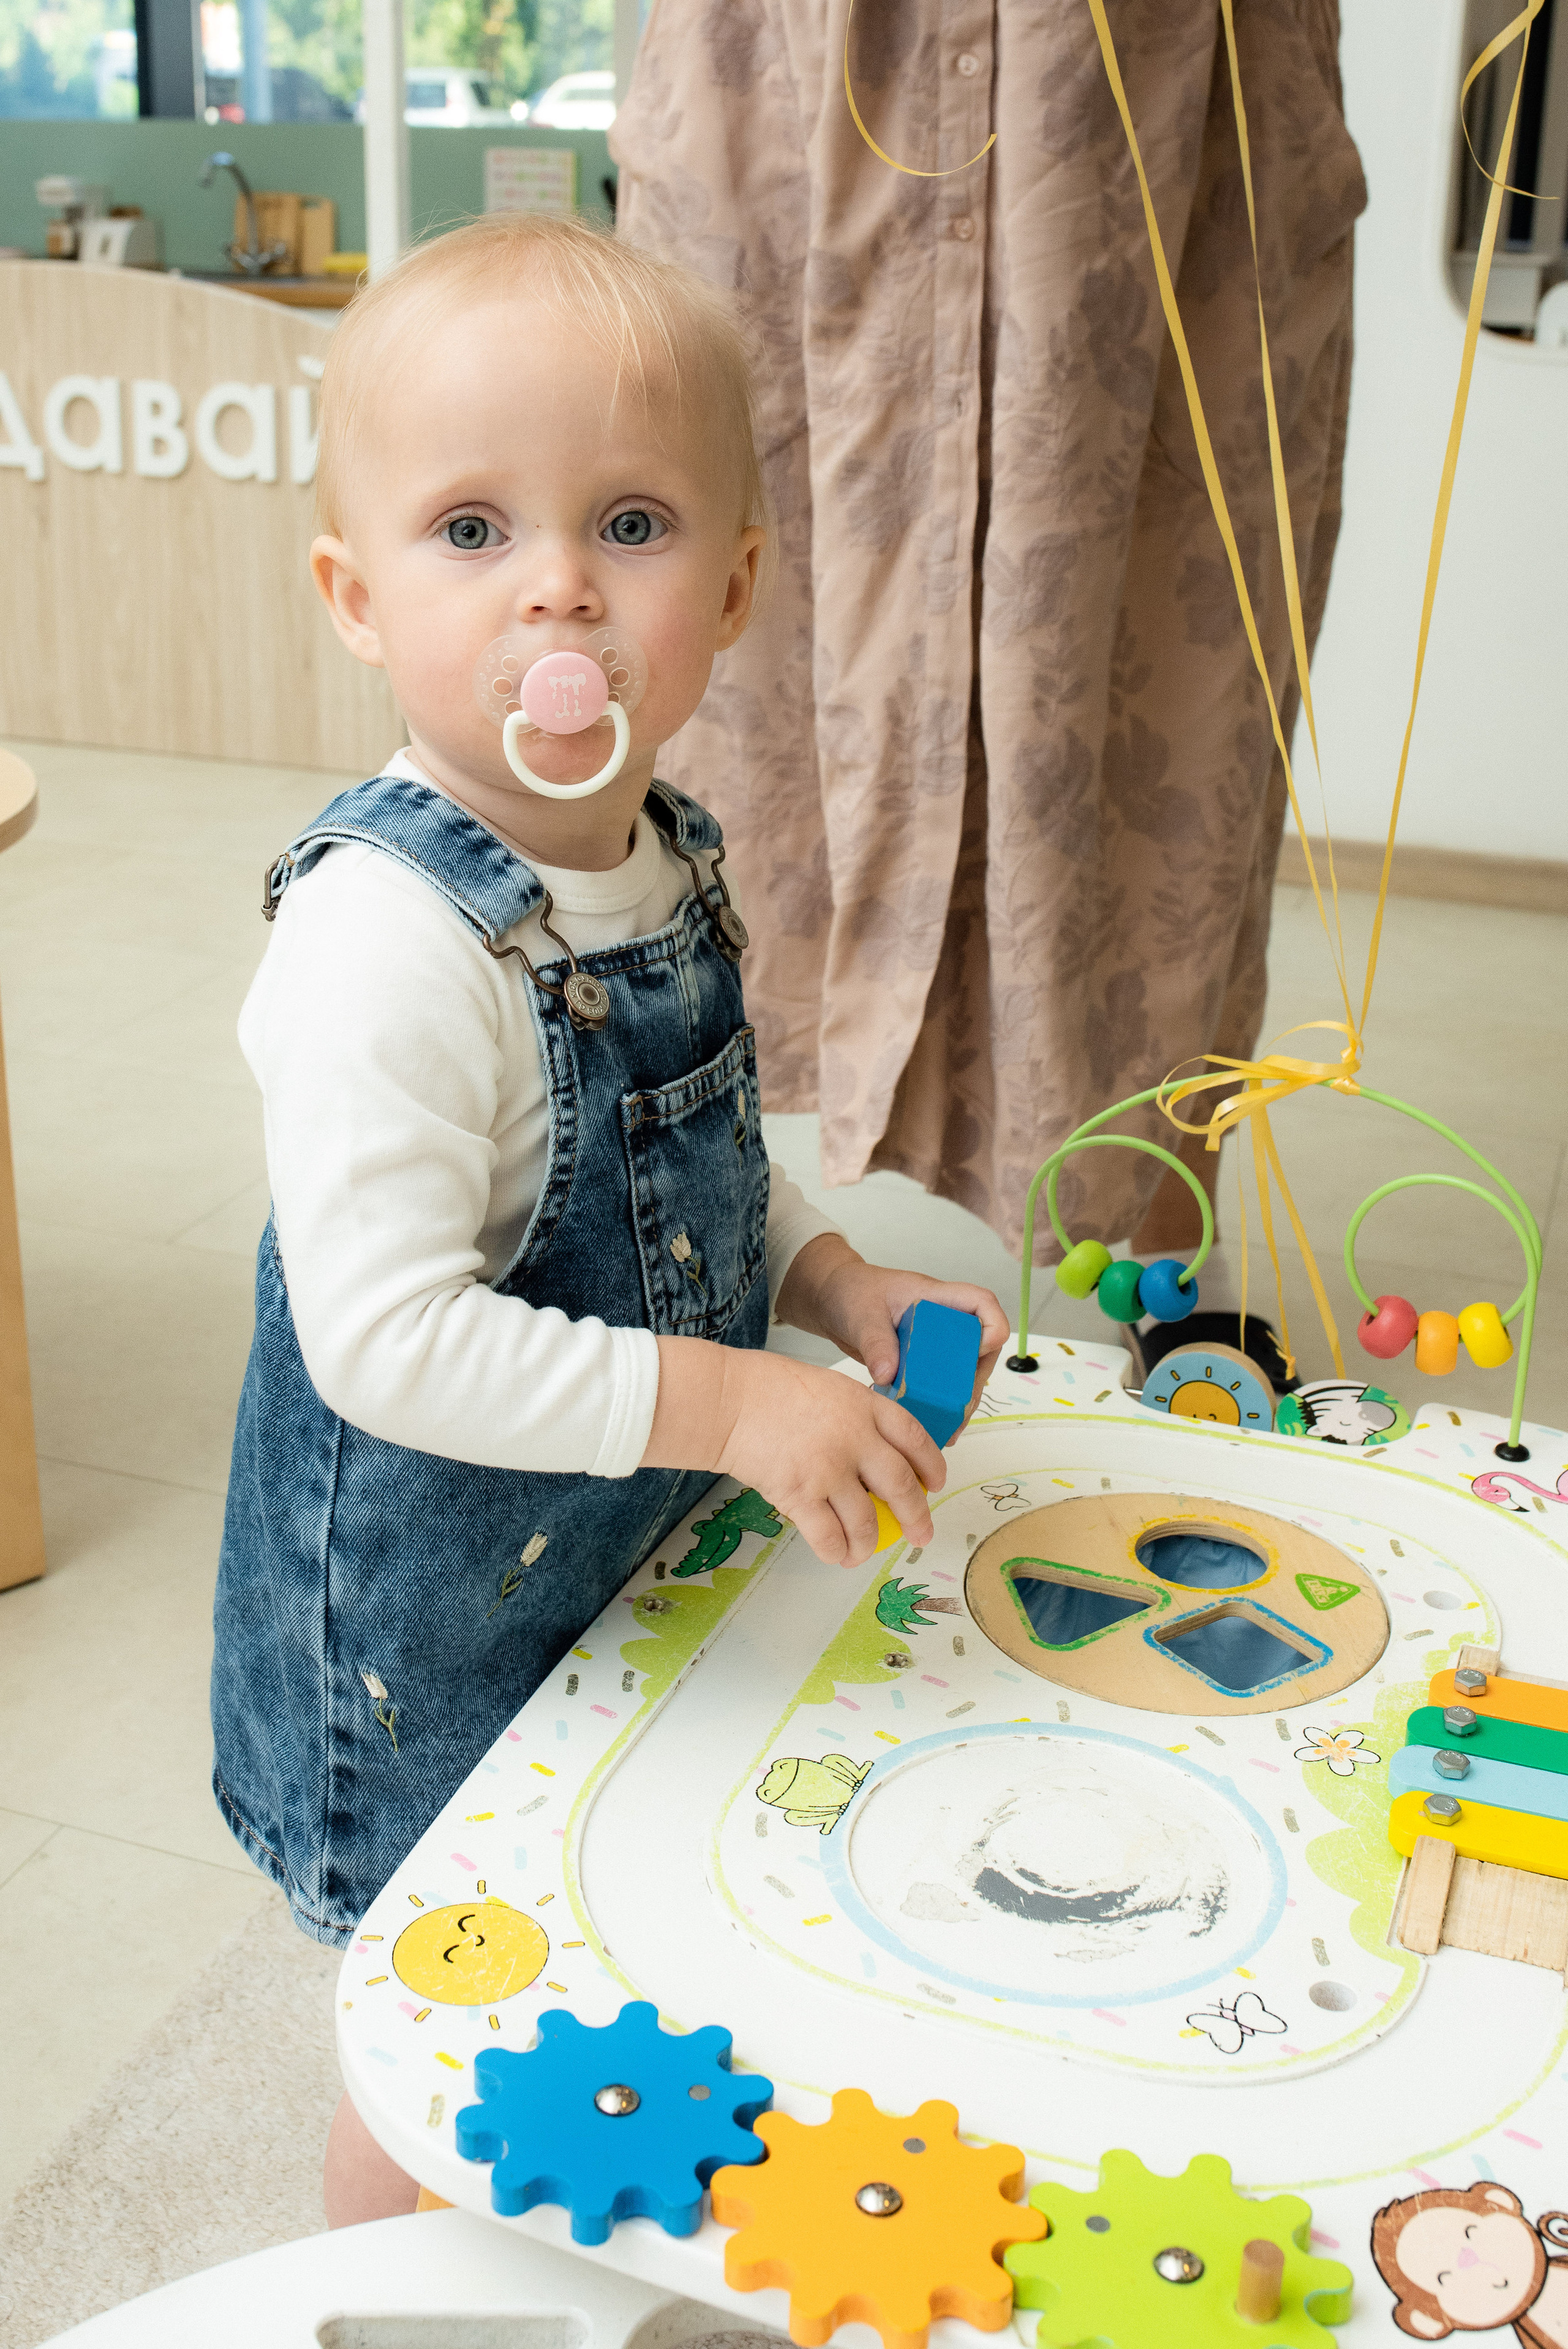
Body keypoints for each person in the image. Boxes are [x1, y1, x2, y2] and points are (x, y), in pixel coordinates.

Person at [210, 213, 1008, 2223]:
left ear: (732, 587)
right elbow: (380, 1337)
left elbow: (698, 1155)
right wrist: (741, 1407)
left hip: (606, 1554)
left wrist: (824, 1272)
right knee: (449, 2026)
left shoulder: (653, 854)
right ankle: (387, 2280)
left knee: (619, 1937)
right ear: (356, 596)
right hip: (427, 1636)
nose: (557, 582)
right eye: (470, 529)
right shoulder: (389, 944)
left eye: (629, 522)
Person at [612, 0, 1366, 1366]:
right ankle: (646, 1216)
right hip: (780, 84)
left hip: (1152, 92)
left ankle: (1164, 1250)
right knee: (713, 642)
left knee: (1164, 690)